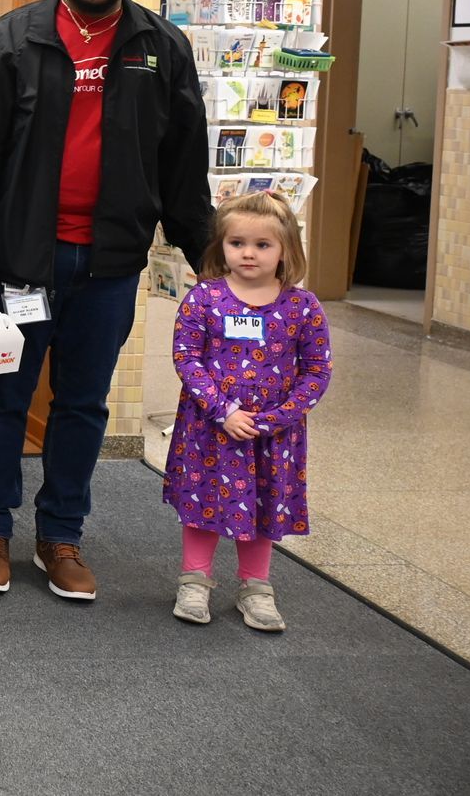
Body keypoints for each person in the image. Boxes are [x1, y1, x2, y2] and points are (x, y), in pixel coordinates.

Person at [0, 0, 211, 601]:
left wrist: (205, 250)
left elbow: (184, 161)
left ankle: (61, 535)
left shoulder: (160, 46)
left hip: (110, 264)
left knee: (84, 402)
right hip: (23, 261)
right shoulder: (8, 42)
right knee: (5, 396)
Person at [165, 193, 330, 633]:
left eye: (262, 245)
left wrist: (274, 420)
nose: (248, 253)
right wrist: (224, 411)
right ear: (221, 246)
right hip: (211, 429)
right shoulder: (204, 298)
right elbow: (186, 357)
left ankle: (256, 587)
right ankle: (195, 579)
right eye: (237, 242)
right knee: (203, 503)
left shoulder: (303, 307)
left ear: (286, 250)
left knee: (262, 505)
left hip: (272, 436)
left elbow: (317, 370)